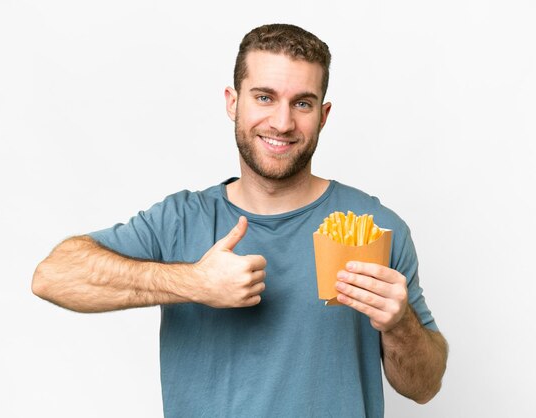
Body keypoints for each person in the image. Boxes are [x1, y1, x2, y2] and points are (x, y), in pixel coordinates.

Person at [32, 23, 448, 417]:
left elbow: (424, 386)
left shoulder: (372, 226)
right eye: (264, 97)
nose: (282, 123)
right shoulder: (181, 220)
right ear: (233, 103)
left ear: (323, 115)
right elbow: (53, 276)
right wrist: (193, 282)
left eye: (301, 103)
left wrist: (400, 324)